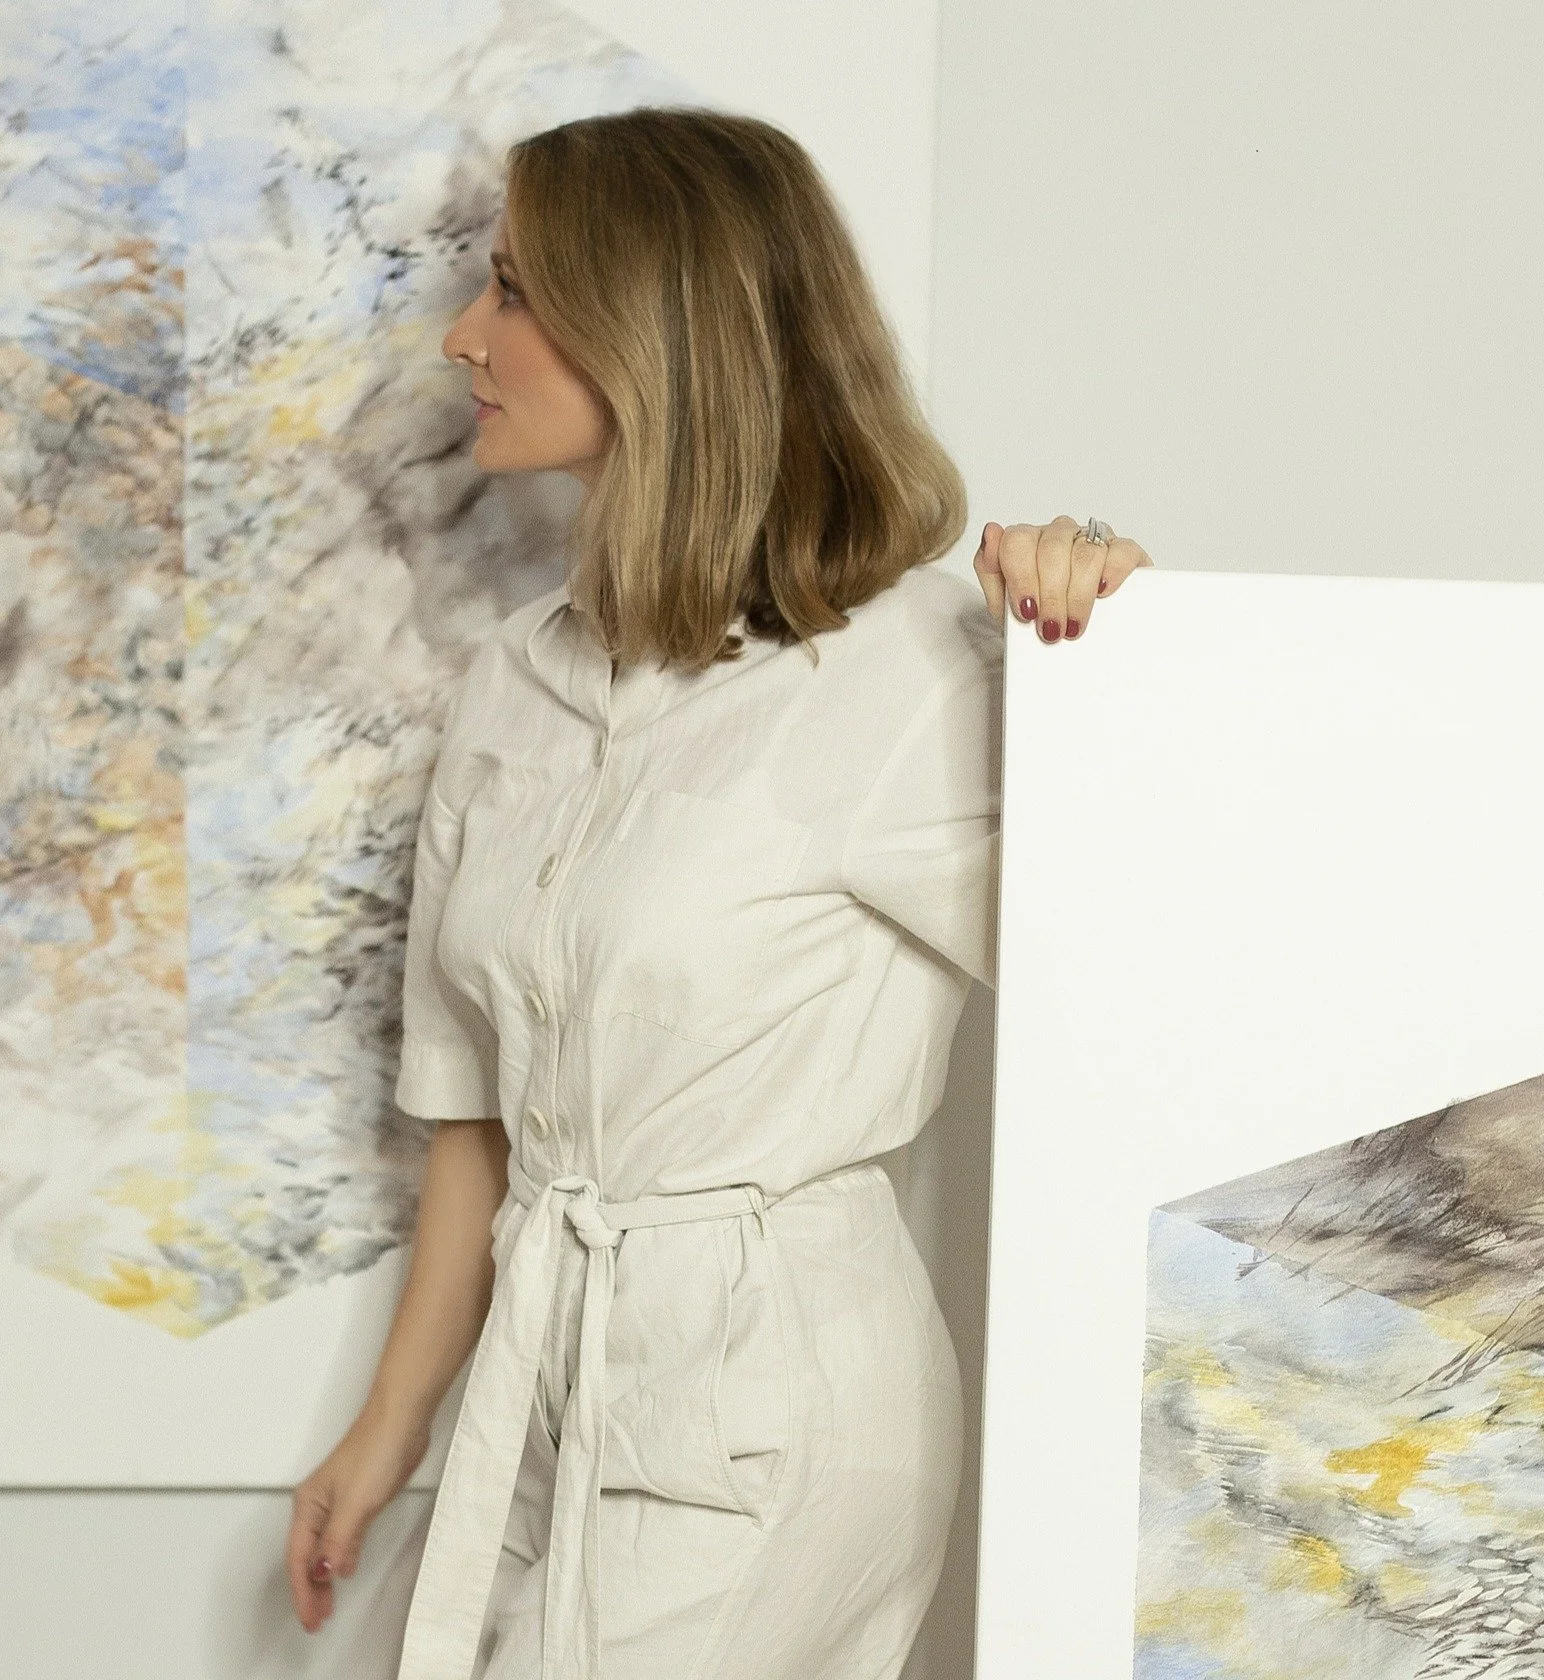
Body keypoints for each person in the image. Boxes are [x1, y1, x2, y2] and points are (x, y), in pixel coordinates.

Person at [286, 106, 1152, 1679]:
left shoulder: (904, 676)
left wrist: (1127, 659)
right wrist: (388, 1430)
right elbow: (483, 1115)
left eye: (515, 292)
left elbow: (1175, 977)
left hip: (768, 1414)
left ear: (658, 323)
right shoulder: (511, 682)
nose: (463, 337)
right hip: (538, 1390)